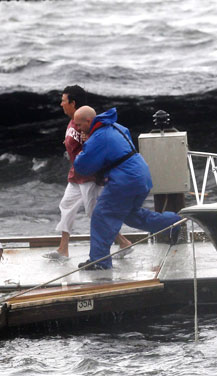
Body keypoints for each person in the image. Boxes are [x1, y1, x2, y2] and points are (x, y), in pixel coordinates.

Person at [73, 106, 181, 270]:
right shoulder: (116, 127)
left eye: (79, 125)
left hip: (126, 180)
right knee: (131, 215)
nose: (78, 129)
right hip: (141, 175)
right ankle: (172, 222)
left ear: (89, 121)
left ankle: (99, 262)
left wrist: (80, 150)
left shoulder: (99, 136)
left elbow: (82, 166)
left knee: (102, 215)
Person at [44, 85, 132, 261]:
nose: (61, 104)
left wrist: (87, 141)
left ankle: (123, 242)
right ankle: (63, 250)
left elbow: (97, 148)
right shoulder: (73, 122)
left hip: (90, 178)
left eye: (63, 101)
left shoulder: (86, 123)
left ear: (73, 103)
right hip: (76, 176)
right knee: (66, 206)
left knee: (94, 213)